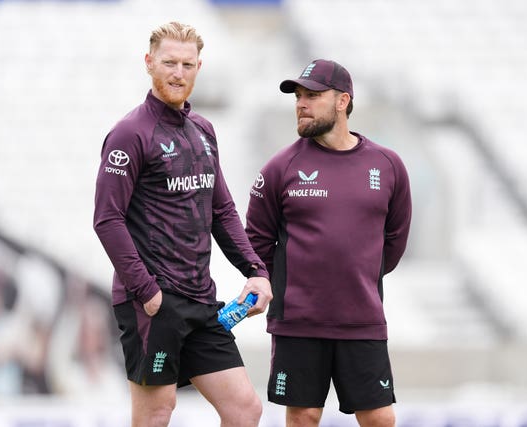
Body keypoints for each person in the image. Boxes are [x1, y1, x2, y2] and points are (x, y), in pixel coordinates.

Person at [93, 22, 272, 427]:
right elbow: (107, 219)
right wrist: (147, 291)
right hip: (152, 303)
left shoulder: (203, 131)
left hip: (201, 301)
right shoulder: (129, 134)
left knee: (244, 409)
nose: (178, 73)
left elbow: (222, 210)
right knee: (157, 413)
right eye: (169, 63)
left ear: (198, 67)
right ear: (149, 63)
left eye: (187, 64)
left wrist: (256, 271)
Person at [245, 59, 412, 427]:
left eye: (313, 96)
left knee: (380, 419)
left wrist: (357, 274)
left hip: (362, 320)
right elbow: (255, 242)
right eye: (298, 96)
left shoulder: (387, 165)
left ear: (342, 101)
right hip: (298, 324)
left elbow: (395, 241)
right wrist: (294, 287)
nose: (301, 104)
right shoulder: (280, 167)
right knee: (303, 417)